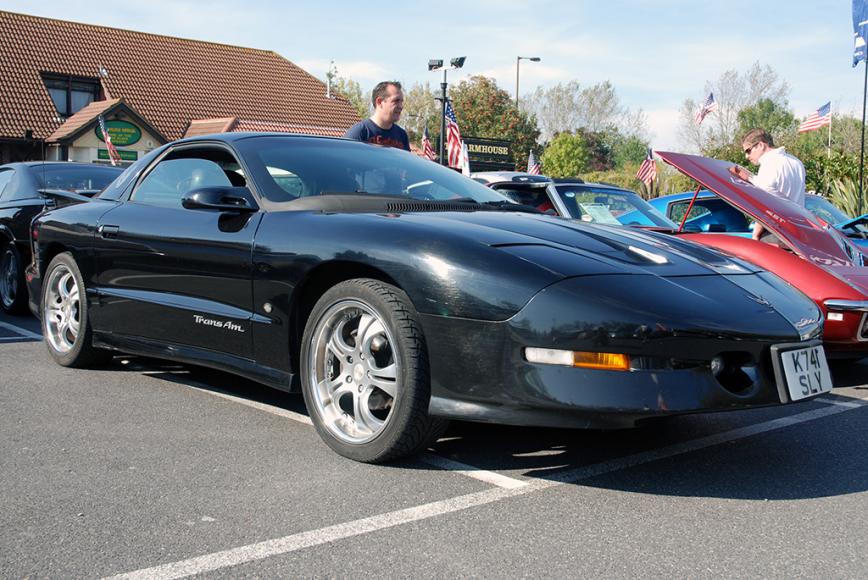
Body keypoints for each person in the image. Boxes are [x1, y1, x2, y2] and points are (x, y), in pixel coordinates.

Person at [728, 128, 806, 240]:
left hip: (776, 233)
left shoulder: (768, 165)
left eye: (748, 150)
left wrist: (756, 235)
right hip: (798, 231)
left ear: (760, 145)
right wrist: (752, 178)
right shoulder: (796, 162)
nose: (747, 156)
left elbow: (766, 205)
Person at [344, 81, 410, 151]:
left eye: (401, 102)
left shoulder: (402, 135)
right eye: (396, 101)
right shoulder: (359, 133)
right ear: (379, 102)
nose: (401, 106)